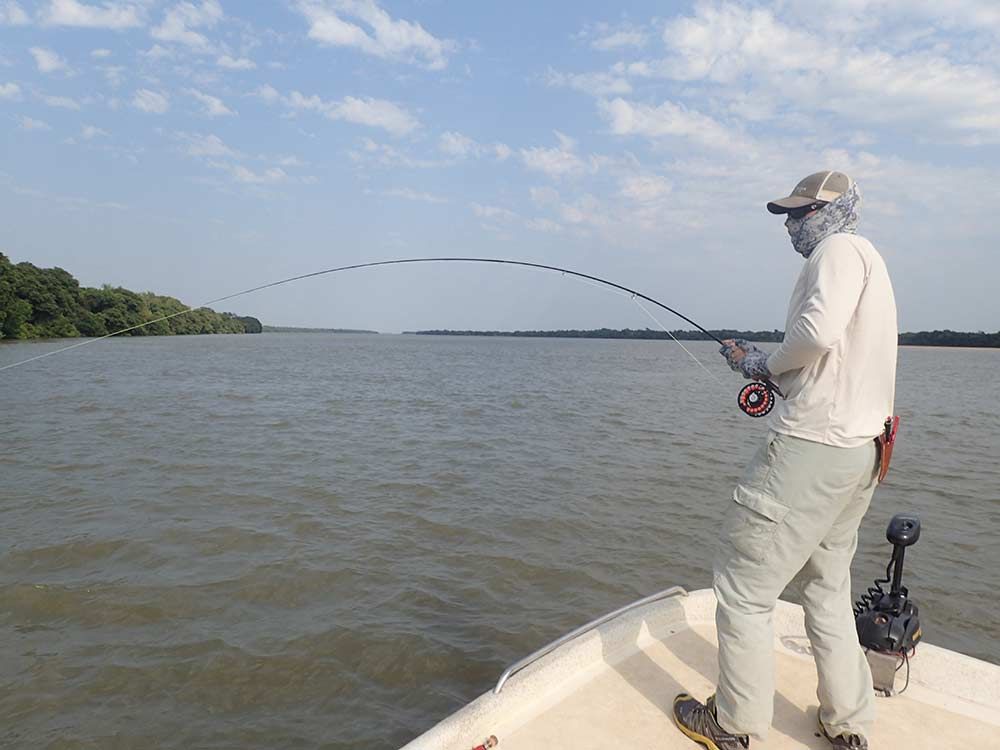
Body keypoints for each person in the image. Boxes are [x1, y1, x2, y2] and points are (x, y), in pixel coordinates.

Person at [672, 171, 898, 750]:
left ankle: (736, 723)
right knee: (825, 587)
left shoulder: (836, 251)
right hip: (860, 453)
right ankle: (847, 723)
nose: (792, 225)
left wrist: (763, 367)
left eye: (799, 214)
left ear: (832, 211)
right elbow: (828, 358)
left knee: (743, 586)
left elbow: (816, 333)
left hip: (812, 451)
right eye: (788, 216)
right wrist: (761, 362)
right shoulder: (869, 259)